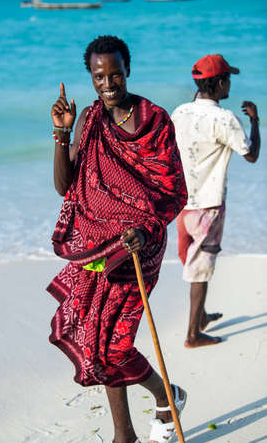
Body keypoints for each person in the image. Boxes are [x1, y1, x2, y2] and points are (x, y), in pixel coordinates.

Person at [46, 35, 188, 443]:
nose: (108, 84)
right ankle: (127, 434)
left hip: (139, 247)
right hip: (97, 246)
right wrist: (61, 132)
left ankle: (164, 397)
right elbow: (64, 185)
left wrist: (143, 230)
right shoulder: (90, 120)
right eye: (98, 76)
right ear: (90, 77)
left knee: (116, 343)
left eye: (114, 74)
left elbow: (174, 190)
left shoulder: (154, 119)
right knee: (98, 344)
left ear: (128, 70)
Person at [171, 54, 261, 348]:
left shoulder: (179, 113)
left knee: (191, 261)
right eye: (228, 79)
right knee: (201, 268)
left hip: (181, 203)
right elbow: (251, 154)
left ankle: (202, 315)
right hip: (207, 205)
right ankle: (193, 334)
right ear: (220, 82)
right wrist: (256, 122)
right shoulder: (225, 119)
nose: (230, 84)